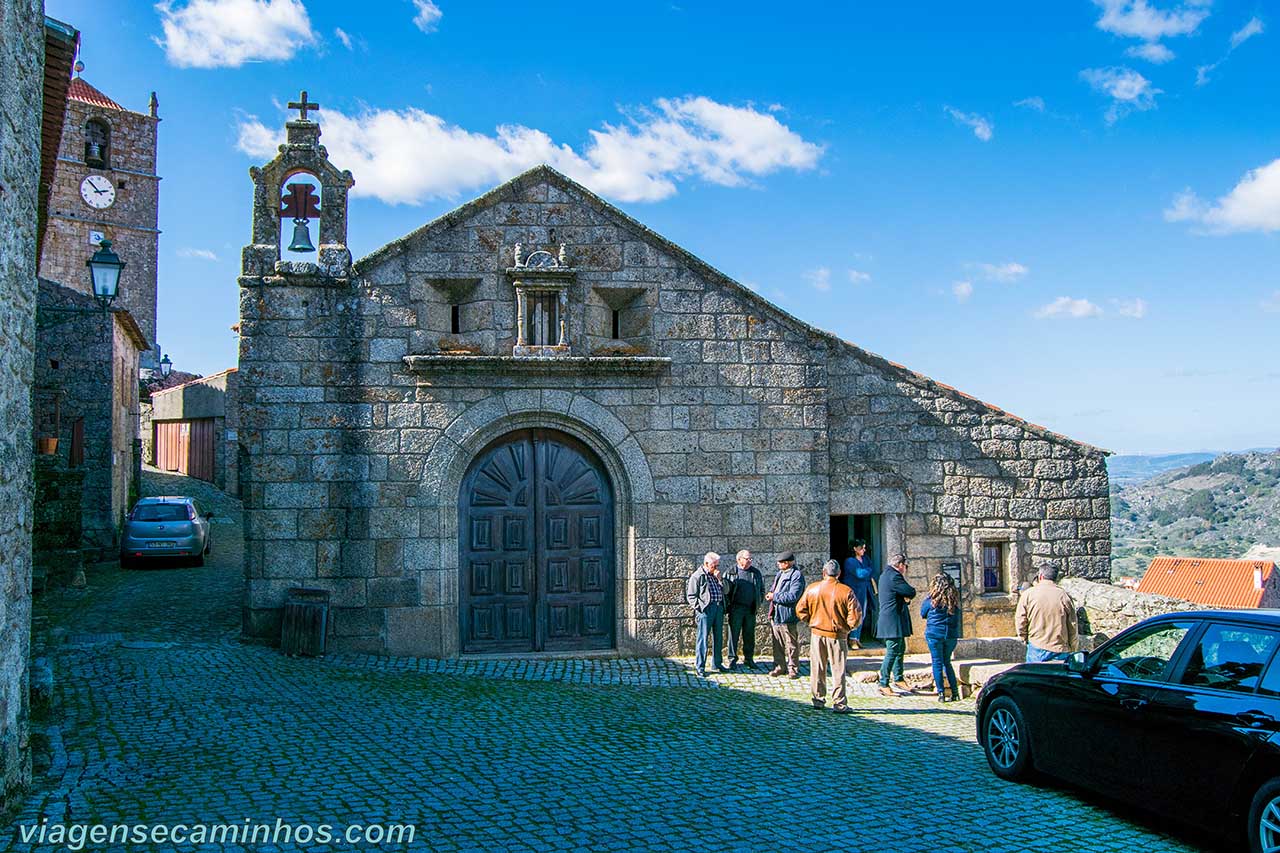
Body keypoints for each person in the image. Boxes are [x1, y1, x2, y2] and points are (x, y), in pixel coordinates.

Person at [796, 560, 860, 713]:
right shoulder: (846, 591)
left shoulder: (812, 588)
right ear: (839, 574)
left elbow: (800, 609)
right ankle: (839, 702)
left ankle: (818, 699)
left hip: (817, 633)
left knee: (817, 667)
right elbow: (855, 617)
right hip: (837, 635)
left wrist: (811, 621)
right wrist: (847, 628)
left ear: (824, 573)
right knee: (838, 669)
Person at [1015, 563, 1079, 663]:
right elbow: (1072, 625)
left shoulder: (1028, 595)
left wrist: (1024, 638)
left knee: (1036, 677)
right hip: (1060, 648)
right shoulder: (1064, 596)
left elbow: (1021, 620)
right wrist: (1073, 647)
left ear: (1040, 576)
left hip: (1037, 646)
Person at [877, 553, 917, 696]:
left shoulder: (885, 574)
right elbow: (910, 591)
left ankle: (899, 678)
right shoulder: (895, 576)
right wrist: (906, 596)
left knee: (900, 648)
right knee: (893, 650)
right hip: (892, 620)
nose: (905, 568)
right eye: (905, 566)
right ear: (900, 565)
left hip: (893, 619)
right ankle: (883, 682)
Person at [920, 574, 962, 702]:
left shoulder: (930, 601)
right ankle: (955, 692)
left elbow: (923, 614)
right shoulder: (954, 602)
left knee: (937, 663)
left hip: (934, 635)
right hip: (950, 636)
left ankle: (941, 693)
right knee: (947, 662)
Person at [685, 552, 728, 677]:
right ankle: (700, 666)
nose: (716, 568)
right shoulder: (697, 576)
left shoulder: (716, 575)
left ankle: (717, 663)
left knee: (718, 637)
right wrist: (701, 607)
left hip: (718, 608)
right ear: (706, 564)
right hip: (706, 610)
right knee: (703, 639)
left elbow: (726, 590)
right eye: (714, 566)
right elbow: (691, 596)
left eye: (717, 565)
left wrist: (720, 579)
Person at [723, 549, 765, 670]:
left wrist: (759, 600)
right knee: (733, 635)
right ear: (739, 559)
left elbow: (761, 589)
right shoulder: (731, 572)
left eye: (751, 559)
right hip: (736, 609)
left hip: (750, 609)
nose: (750, 561)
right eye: (747, 559)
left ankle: (749, 659)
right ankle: (732, 659)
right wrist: (728, 606)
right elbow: (725, 592)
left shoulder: (755, 573)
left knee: (749, 635)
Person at [766, 551, 804, 679]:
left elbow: (793, 595)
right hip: (776, 613)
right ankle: (779, 666)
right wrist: (771, 594)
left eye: (780, 563)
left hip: (788, 614)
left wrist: (774, 596)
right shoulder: (780, 574)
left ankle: (793, 668)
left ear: (787, 563)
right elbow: (775, 588)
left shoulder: (796, 576)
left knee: (791, 643)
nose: (778, 565)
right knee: (777, 643)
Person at [840, 539, 875, 649]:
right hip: (854, 590)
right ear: (855, 548)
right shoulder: (850, 561)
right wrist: (868, 570)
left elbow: (870, 569)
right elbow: (860, 574)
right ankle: (852, 639)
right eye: (861, 548)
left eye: (864, 548)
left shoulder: (865, 559)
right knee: (853, 614)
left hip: (864, 590)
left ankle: (857, 638)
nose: (864, 550)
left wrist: (867, 571)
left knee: (862, 614)